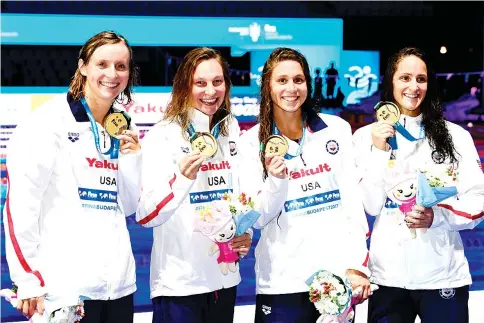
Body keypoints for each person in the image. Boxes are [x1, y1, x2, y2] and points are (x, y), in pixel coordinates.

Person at [4, 31, 142, 323]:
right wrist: (28, 280)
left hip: (118, 288)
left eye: (121, 66)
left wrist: (133, 158)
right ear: (83, 67)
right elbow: (20, 208)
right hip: (65, 291)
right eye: (102, 64)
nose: (112, 74)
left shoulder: (124, 127)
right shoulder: (46, 123)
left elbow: (127, 207)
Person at [239, 47, 372, 323]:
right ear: (267, 85)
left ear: (308, 84)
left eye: (298, 80)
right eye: (282, 80)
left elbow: (351, 204)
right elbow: (258, 218)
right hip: (282, 280)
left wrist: (357, 265)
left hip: (334, 280)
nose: (292, 88)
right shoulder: (250, 143)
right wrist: (276, 179)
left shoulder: (337, 130)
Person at [353, 47, 484, 323]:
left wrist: (438, 216)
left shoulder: (455, 136)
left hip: (442, 276)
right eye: (405, 78)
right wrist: (378, 150)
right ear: (391, 81)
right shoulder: (366, 137)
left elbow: (478, 200)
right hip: (387, 279)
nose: (413, 86)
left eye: (421, 79)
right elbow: (370, 204)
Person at [136, 47, 256, 323]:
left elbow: (242, 196)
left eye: (217, 81)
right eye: (199, 83)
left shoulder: (231, 130)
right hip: (180, 284)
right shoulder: (163, 135)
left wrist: (243, 231)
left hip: (225, 279)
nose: (210, 91)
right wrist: (181, 180)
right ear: (184, 87)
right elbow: (144, 214)